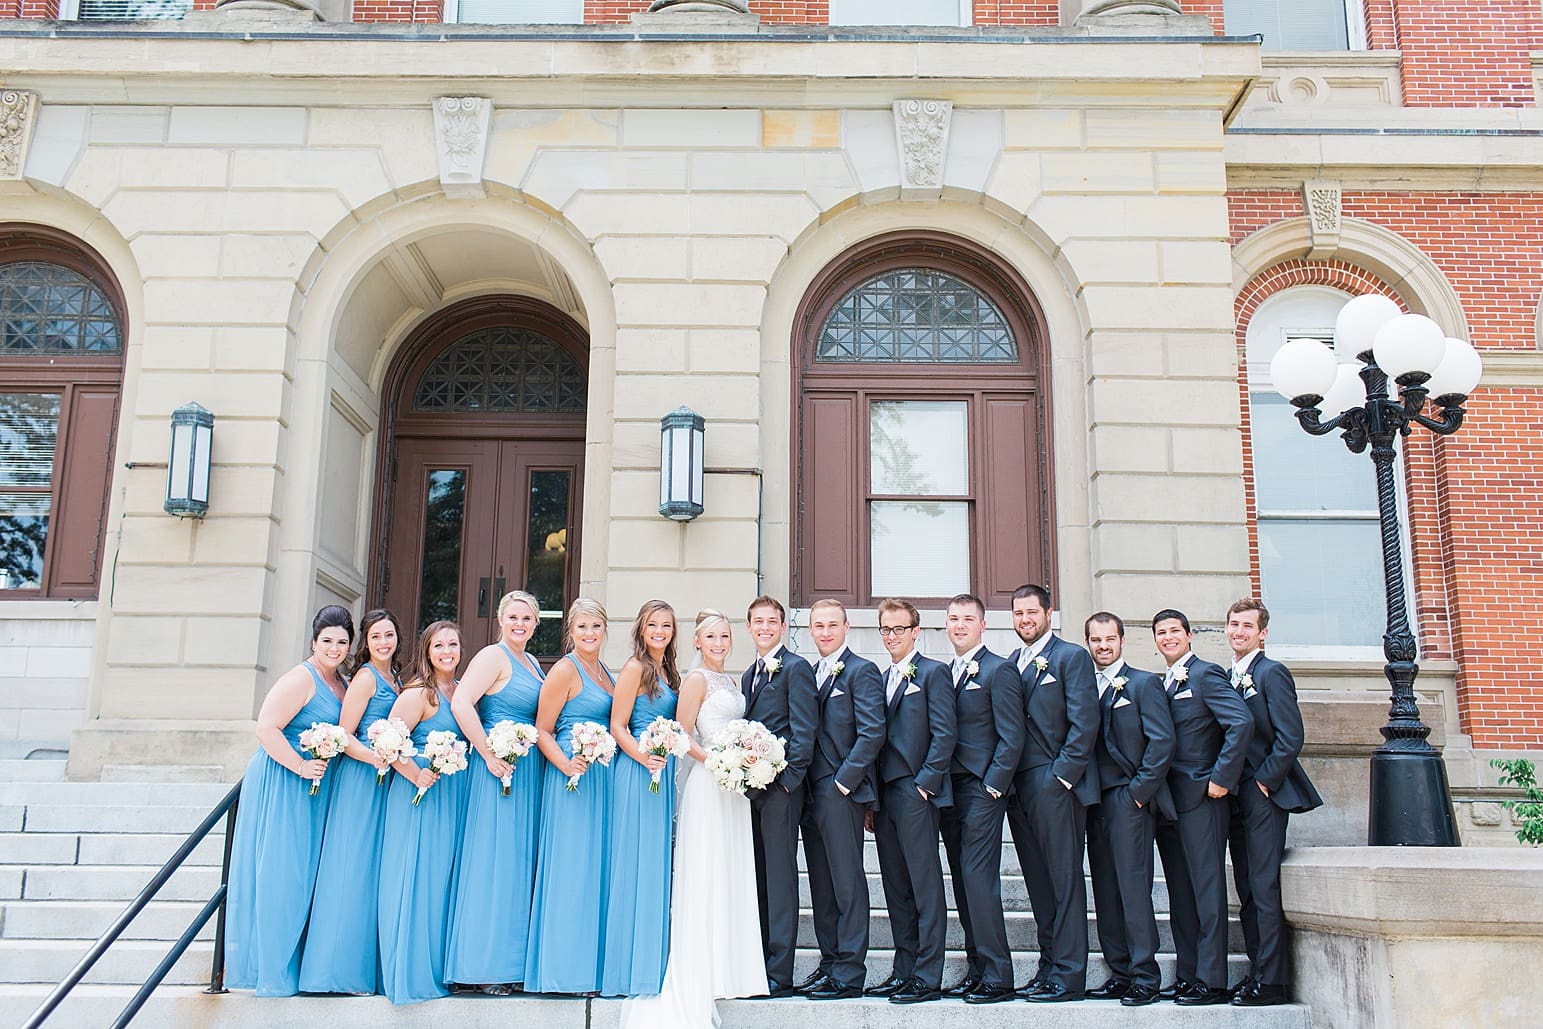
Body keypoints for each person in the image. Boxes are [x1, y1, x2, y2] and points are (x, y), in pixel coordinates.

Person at [619, 609, 769, 1028]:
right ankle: (702, 967)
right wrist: (718, 762)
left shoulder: (733, 681)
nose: (719, 643)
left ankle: (731, 967)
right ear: (698, 644)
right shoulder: (696, 679)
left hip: (733, 786)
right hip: (709, 782)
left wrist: (744, 759)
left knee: (729, 870)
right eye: (711, 638)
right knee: (704, 870)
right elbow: (683, 733)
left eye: (725, 636)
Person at [224, 605, 351, 997]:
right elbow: (266, 727)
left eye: (342, 641)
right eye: (327, 641)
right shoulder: (301, 678)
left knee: (303, 873)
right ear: (313, 642)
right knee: (281, 872)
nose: (334, 648)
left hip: (314, 785)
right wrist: (298, 765)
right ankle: (271, 970)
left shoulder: (341, 683)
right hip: (283, 780)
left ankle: (295, 961)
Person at [445, 592, 548, 994]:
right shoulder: (492, 655)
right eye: (513, 617)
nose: (520, 623)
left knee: (516, 865)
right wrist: (486, 752)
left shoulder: (533, 663)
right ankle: (481, 967)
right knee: (492, 863)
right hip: (496, 772)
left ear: (536, 623)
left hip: (526, 775)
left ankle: (510, 963)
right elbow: (462, 704)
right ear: (501, 620)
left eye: (527, 618)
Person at [299, 608, 404, 995]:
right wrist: (376, 757)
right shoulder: (364, 678)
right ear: (366, 641)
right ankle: (331, 973)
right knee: (349, 867)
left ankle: (360, 969)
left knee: (368, 873)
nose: (383, 643)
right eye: (376, 636)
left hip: (382, 782)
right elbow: (345, 735)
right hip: (360, 781)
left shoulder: (395, 677)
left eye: (389, 635)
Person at [1003, 583, 1100, 1003]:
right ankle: (1048, 967)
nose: (1025, 620)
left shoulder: (1071, 657)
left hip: (1055, 782)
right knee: (1038, 883)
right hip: (1018, 787)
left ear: (1048, 612)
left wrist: (1062, 776)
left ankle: (1070, 975)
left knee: (1063, 880)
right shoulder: (1010, 662)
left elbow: (1085, 721)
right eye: (1018, 613)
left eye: (1032, 612)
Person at [1223, 598, 1322, 1008]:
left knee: (1264, 886)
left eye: (1247, 626)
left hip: (1264, 795)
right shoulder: (1227, 676)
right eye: (1233, 625)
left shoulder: (1271, 673)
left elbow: (1290, 736)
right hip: (1233, 795)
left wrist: (1264, 783)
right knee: (1246, 886)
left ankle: (1274, 982)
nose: (1239, 632)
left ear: (1262, 633)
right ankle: (1256, 971)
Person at [1152, 608, 1253, 1006]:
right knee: (1181, 891)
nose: (1168, 637)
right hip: (1170, 801)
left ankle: (1212, 981)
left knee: (1207, 889)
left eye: (1175, 631)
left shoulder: (1206, 674)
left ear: (1189, 635)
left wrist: (1221, 779)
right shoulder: (1163, 682)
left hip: (1202, 797)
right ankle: (1188, 974)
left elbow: (1240, 724)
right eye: (1161, 632)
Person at [1081, 612, 1175, 1008]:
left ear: (1122, 641)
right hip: (1094, 801)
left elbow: (1162, 741)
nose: (1103, 646)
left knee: (1133, 888)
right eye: (1095, 640)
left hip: (1129, 799)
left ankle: (1144, 975)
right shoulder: (1086, 687)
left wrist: (1139, 793)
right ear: (1087, 643)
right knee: (1104, 888)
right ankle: (1118, 971)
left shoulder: (1143, 684)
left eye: (1109, 639)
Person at [866, 598, 956, 1005]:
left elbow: (945, 733)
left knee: (924, 883)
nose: (891, 636)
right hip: (885, 794)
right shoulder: (883, 677)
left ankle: (927, 974)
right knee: (896, 884)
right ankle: (903, 969)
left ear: (916, 632)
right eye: (885, 629)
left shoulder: (934, 673)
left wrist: (926, 785)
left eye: (899, 629)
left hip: (917, 791)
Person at [525, 598, 617, 994]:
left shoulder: (606, 672)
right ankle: (562, 972)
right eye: (582, 628)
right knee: (570, 869)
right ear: (571, 632)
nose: (589, 634)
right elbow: (542, 729)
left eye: (596, 627)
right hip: (572, 780)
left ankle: (588, 967)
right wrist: (565, 764)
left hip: (599, 780)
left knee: (592, 870)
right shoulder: (564, 669)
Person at [376, 620, 471, 1005]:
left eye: (452, 644)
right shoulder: (419, 693)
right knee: (414, 877)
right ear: (426, 652)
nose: (447, 652)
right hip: (420, 796)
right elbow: (387, 739)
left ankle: (436, 967)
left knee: (440, 882)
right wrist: (415, 772)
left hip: (452, 797)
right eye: (439, 646)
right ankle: (408, 974)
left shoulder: (462, 692)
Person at [937, 593, 1023, 1004]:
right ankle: (976, 968)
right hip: (949, 790)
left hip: (982, 789)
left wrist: (994, 786)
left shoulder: (998, 670)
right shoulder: (944, 672)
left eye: (967, 619)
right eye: (953, 619)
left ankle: (998, 975)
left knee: (978, 878)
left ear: (983, 625)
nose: (959, 626)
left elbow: (1012, 735)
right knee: (962, 880)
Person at [799, 598, 886, 1000]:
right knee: (821, 882)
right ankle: (830, 962)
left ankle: (850, 972)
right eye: (818, 625)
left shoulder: (860, 671)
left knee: (847, 882)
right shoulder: (808, 672)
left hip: (840, 792)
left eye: (833, 625)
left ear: (847, 627)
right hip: (810, 793)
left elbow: (872, 732)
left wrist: (844, 784)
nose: (825, 632)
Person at [602, 600, 683, 997]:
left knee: (653, 863)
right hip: (636, 772)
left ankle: (651, 960)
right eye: (653, 624)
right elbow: (617, 725)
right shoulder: (635, 668)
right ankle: (625, 968)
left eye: (666, 625)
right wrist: (643, 756)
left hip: (660, 773)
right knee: (633, 862)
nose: (660, 631)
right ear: (641, 628)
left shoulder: (670, 672)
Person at [739, 596, 818, 999]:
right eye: (758, 621)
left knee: (781, 878)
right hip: (751, 791)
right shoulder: (748, 675)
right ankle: (758, 963)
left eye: (773, 621)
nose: (765, 627)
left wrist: (788, 781)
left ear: (783, 627)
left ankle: (780, 972)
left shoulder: (797, 668)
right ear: (749, 626)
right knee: (759, 878)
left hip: (782, 792)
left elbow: (805, 731)